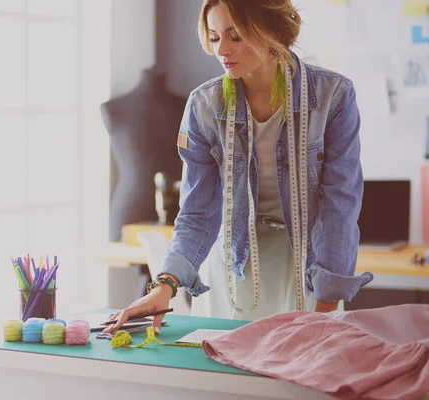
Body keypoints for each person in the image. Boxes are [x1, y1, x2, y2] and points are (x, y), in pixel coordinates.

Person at [104, 0, 374, 334]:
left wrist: (325, 306)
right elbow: (197, 212)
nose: (223, 50)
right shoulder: (205, 106)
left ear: (272, 30)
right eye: (215, 37)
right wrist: (164, 285)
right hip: (232, 268)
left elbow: (340, 207)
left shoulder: (333, 96)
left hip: (308, 267)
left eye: (236, 36)